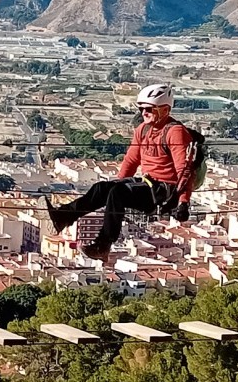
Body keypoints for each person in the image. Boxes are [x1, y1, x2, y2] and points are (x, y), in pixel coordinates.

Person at [46, 83, 195, 260]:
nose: (143, 113)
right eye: (141, 109)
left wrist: (183, 202)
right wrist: (116, 184)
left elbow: (185, 170)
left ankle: (103, 245)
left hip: (166, 192)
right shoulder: (143, 130)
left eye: (148, 109)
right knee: (102, 188)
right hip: (147, 184)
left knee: (118, 193)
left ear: (164, 109)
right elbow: (131, 160)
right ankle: (62, 217)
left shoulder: (176, 132)